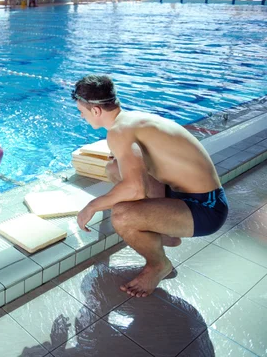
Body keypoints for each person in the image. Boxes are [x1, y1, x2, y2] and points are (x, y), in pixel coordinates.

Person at [72, 75, 228, 298]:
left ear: (95, 111)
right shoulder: (130, 120)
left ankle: (158, 265)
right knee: (115, 168)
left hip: (207, 209)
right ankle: (166, 234)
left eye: (82, 111)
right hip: (186, 195)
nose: (81, 116)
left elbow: (135, 189)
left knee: (122, 215)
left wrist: (92, 205)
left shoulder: (118, 132)